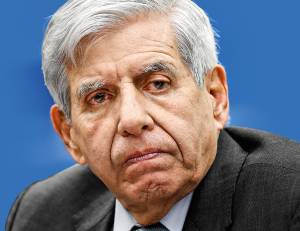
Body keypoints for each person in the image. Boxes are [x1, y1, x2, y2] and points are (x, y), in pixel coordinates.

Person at [6, 0, 300, 230]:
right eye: (98, 98)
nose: (132, 120)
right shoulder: (39, 214)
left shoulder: (290, 196)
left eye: (158, 84)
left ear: (216, 97)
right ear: (69, 136)